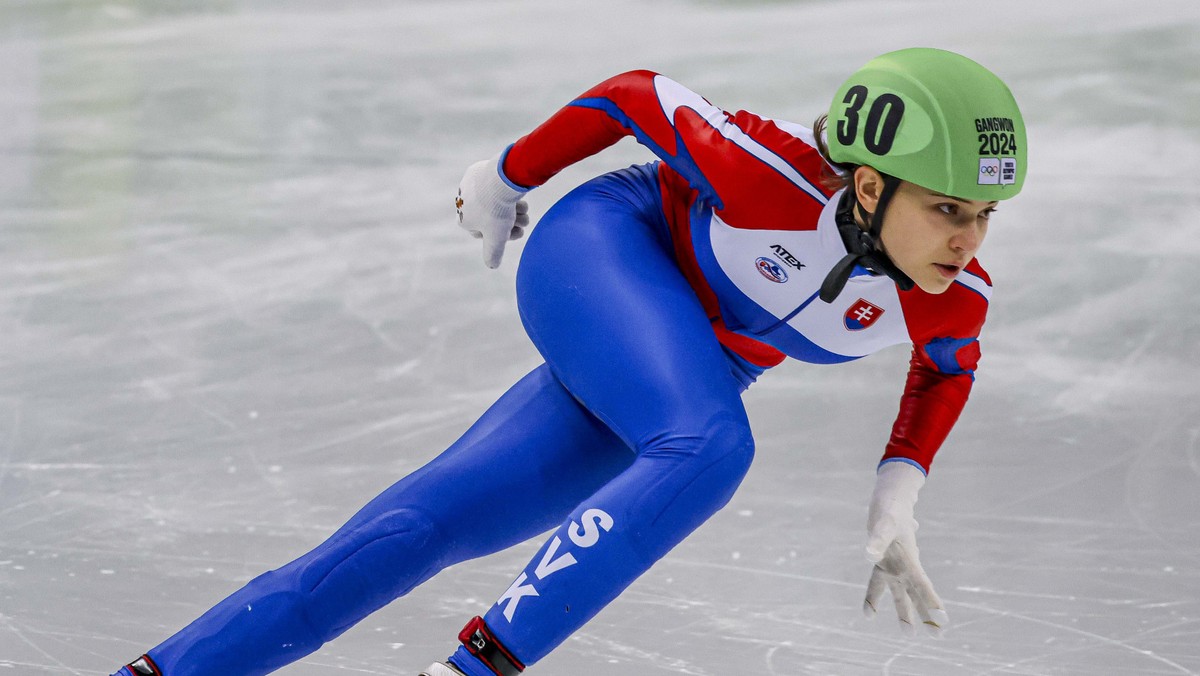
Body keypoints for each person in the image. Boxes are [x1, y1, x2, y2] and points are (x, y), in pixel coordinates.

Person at [113, 47, 1027, 676]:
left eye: (985, 214)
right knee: (710, 446)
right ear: (869, 184)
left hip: (663, 377)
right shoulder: (768, 177)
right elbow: (635, 94)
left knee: (422, 526)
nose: (969, 239)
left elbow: (946, 368)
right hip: (604, 254)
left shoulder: (951, 293)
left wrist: (898, 488)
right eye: (949, 210)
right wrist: (508, 174)